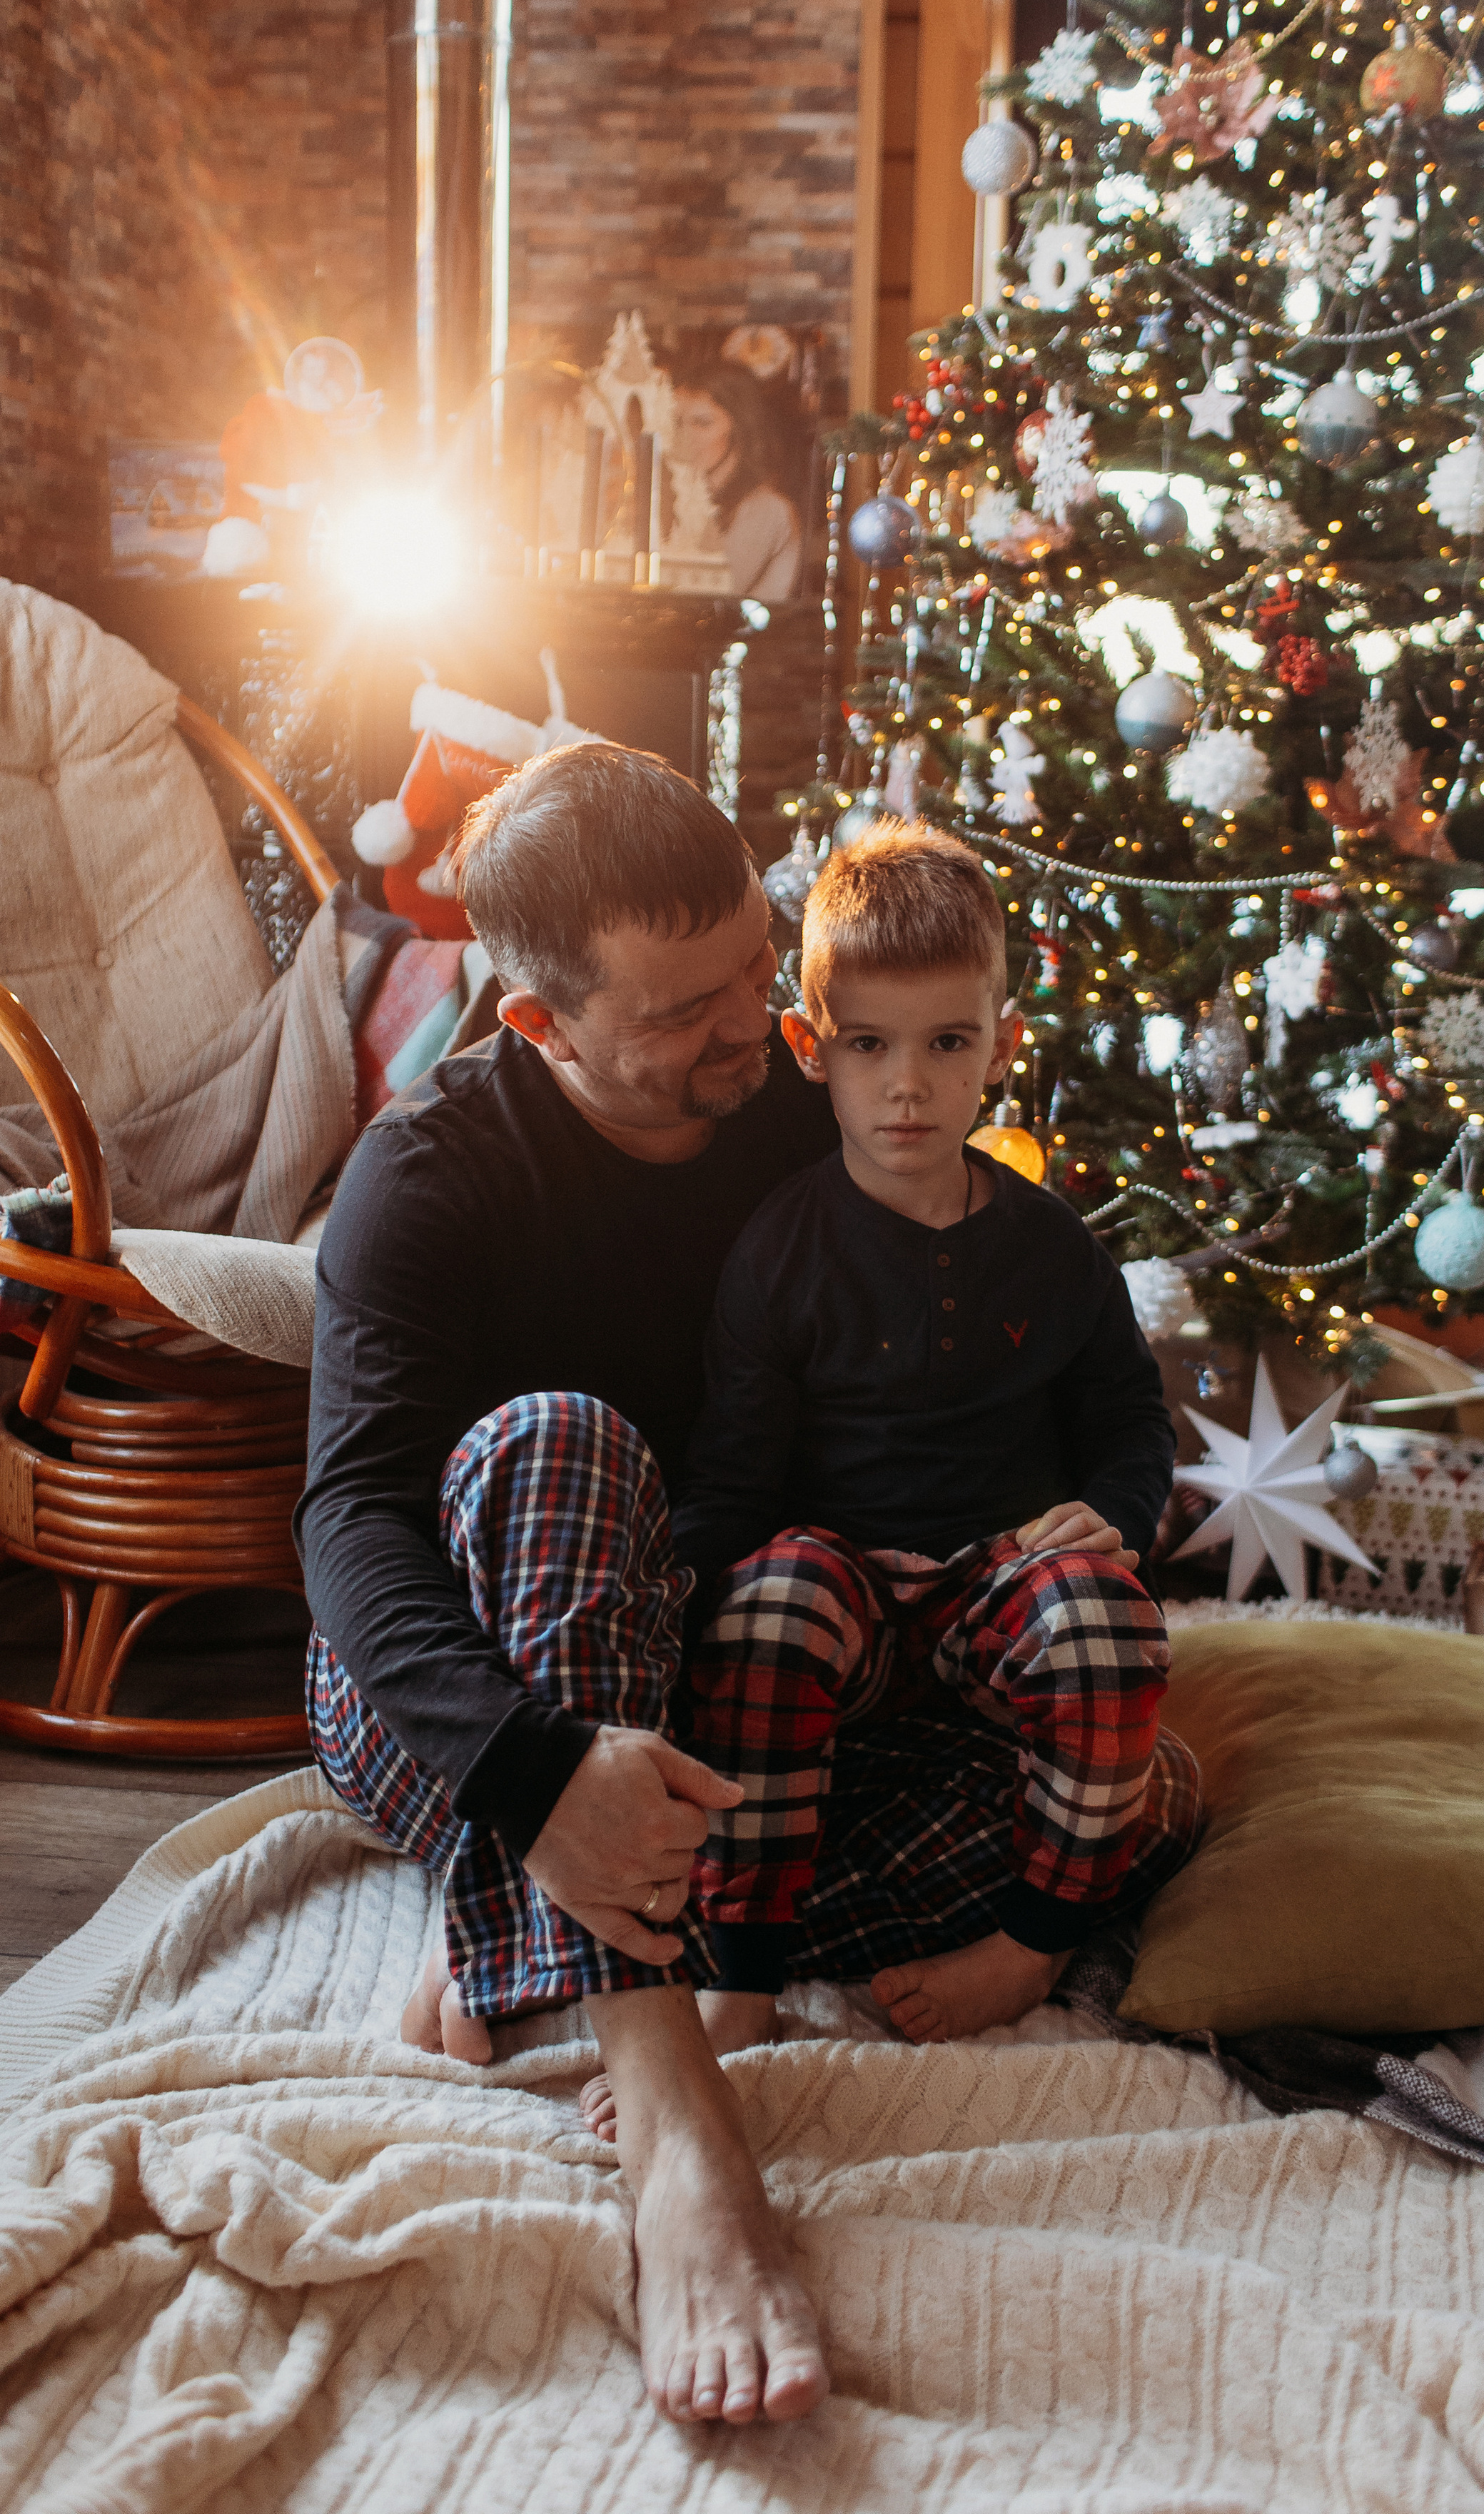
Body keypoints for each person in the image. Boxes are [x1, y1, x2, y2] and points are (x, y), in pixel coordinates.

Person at [298, 740, 839, 2430]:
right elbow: (353, 1527)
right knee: (558, 1443)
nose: (747, 1022)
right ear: (540, 1021)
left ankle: (502, 1933)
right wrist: (533, 1777)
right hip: (451, 1696)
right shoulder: (430, 1169)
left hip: (705, 1662)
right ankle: (666, 2099)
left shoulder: (802, 1114)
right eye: (684, 1006)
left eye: (756, 962)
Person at [667, 822, 1201, 2064]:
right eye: (869, 1046)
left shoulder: (1051, 1245)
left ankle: (1032, 1941)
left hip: (993, 1584)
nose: (907, 1085)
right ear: (812, 1050)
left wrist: (1114, 1516)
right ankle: (741, 1971)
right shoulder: (778, 1250)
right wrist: (673, 1617)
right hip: (843, 1588)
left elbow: (1129, 1418)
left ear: (998, 1048)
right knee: (773, 1600)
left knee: (1113, 1622)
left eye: (946, 1043)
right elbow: (734, 1474)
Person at [672, 364, 802, 598]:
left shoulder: (767, 509)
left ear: (740, 429)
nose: (685, 437)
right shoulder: (683, 503)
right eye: (678, 423)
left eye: (702, 423)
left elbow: (710, 594)